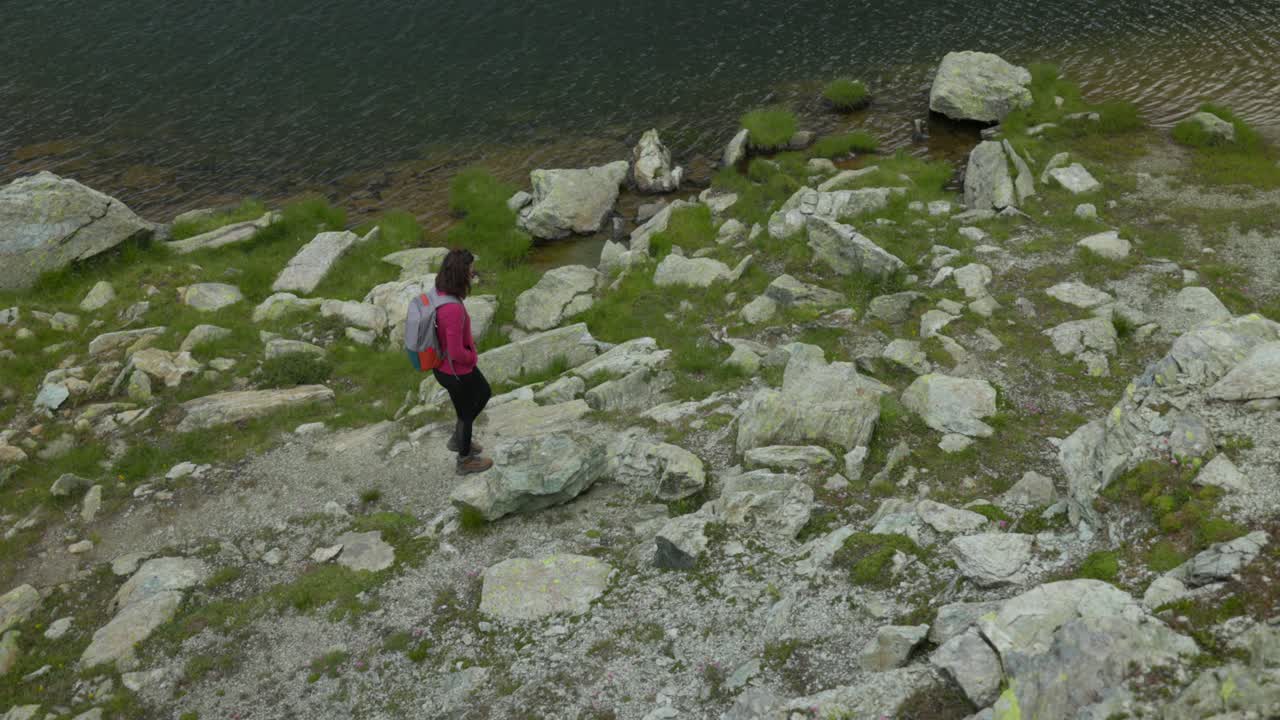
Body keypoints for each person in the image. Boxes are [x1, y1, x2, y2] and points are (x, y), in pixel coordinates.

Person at [431, 249, 493, 475]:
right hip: (455, 370)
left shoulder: (440, 292)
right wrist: (473, 357)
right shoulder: (453, 309)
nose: (472, 272)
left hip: (443, 367)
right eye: (469, 269)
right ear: (460, 273)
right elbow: (457, 352)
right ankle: (464, 460)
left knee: (480, 396)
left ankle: (459, 440)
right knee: (467, 413)